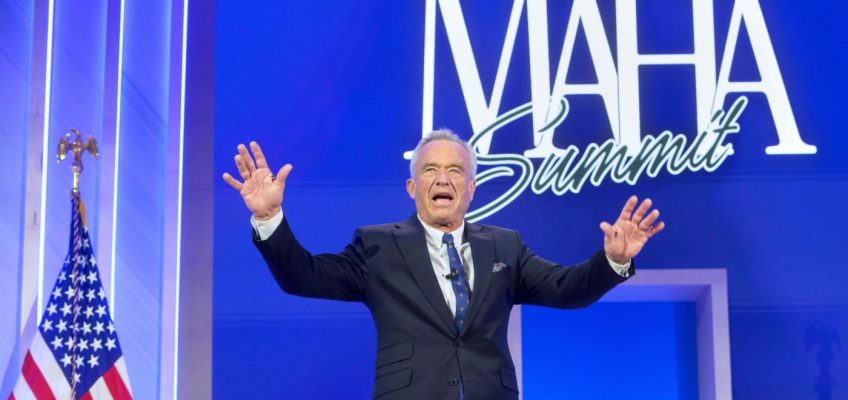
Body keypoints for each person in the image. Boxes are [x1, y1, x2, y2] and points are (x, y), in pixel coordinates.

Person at [222, 130, 665, 400]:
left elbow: (567, 289)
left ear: (471, 189)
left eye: (455, 171)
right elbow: (303, 276)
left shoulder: (505, 247)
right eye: (430, 170)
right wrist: (269, 217)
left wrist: (613, 260)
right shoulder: (377, 246)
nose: (442, 179)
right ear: (412, 187)